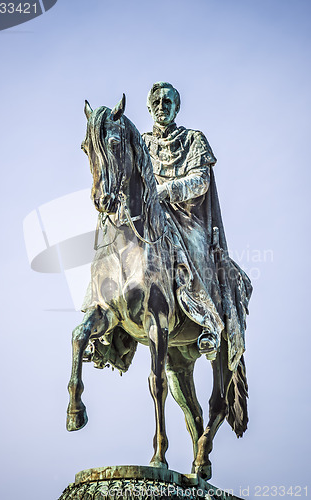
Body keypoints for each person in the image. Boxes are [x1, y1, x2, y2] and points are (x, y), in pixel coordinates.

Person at [142, 82, 252, 367]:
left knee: (194, 246)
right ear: (149, 106)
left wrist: (166, 191)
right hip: (148, 214)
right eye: (157, 101)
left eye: (168, 101)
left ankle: (208, 321)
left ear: (177, 107)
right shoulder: (140, 143)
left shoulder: (194, 139)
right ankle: (105, 326)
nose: (162, 106)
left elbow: (200, 181)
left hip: (187, 217)